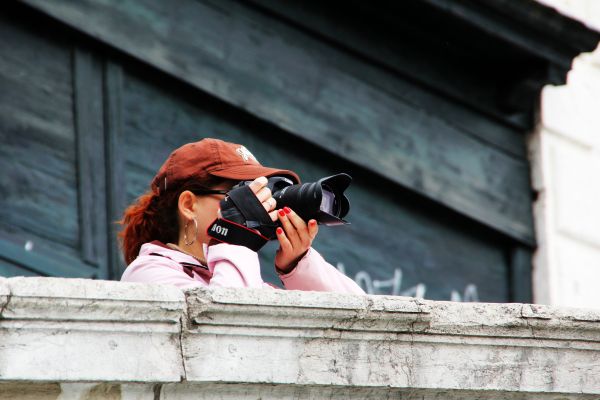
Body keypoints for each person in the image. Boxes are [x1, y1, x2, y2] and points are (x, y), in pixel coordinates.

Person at [119, 138, 364, 294]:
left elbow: (364, 318)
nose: (256, 203)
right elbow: (224, 337)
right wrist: (236, 240)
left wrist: (298, 264)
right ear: (188, 204)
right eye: (240, 193)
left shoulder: (245, 279)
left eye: (259, 191)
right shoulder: (148, 274)